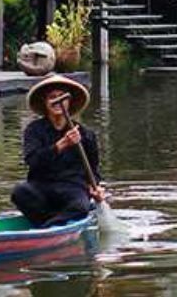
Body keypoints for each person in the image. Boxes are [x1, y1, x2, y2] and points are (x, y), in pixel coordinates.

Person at [11, 75, 106, 228]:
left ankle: (48, 226)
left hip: (72, 188)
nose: (58, 102)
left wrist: (94, 188)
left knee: (81, 207)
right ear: (45, 102)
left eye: (63, 97)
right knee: (19, 192)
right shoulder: (34, 130)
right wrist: (61, 145)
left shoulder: (86, 134)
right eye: (52, 97)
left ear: (69, 102)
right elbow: (33, 161)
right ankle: (53, 222)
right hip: (42, 186)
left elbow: (93, 169)